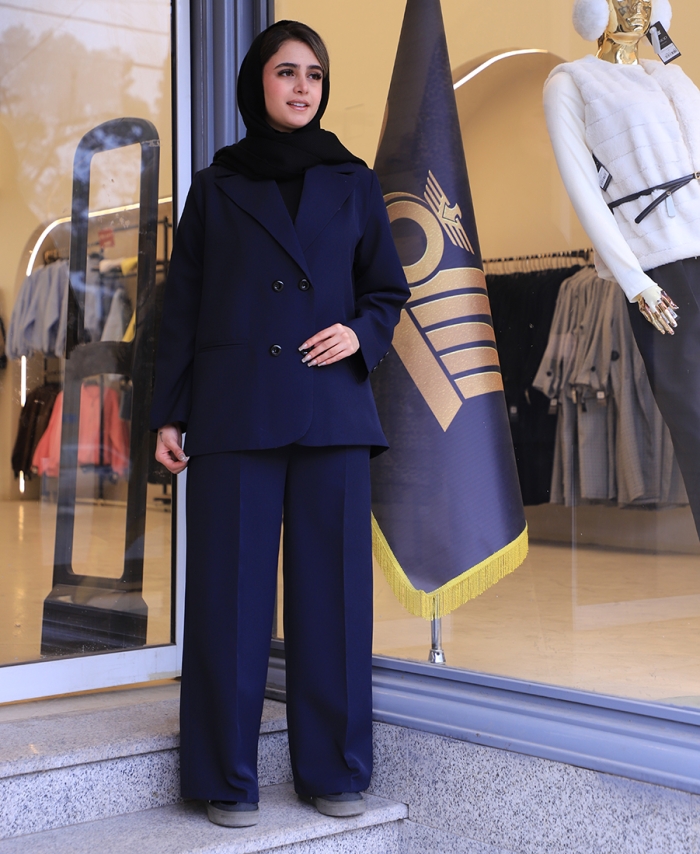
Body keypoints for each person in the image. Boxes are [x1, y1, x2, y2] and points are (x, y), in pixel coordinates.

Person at [150, 20, 409, 828]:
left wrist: (360, 334)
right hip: (235, 410)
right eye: (287, 72)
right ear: (256, 83)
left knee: (333, 600)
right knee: (227, 599)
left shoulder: (354, 181)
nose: (302, 87)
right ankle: (224, 779)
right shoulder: (216, 185)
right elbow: (180, 309)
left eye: (315, 75)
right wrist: (170, 411)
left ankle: (335, 772)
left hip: (332, 409)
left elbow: (387, 290)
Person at [543, 0, 700, 536]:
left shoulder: (670, 76)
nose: (635, 9)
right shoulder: (572, 82)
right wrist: (635, 281)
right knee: (694, 419)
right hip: (660, 270)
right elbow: (584, 191)